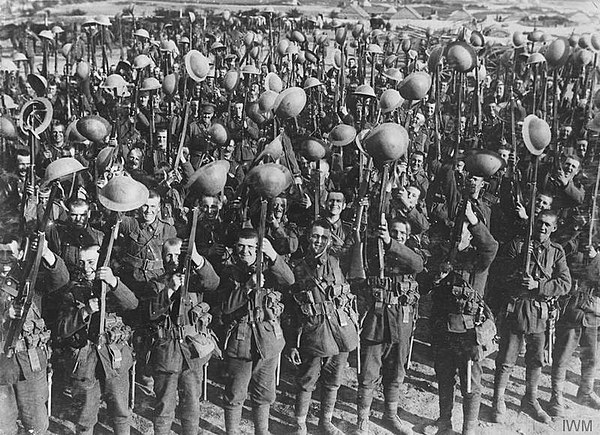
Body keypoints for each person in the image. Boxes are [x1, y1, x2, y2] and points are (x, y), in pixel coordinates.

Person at [491, 210, 571, 424]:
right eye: (539, 223)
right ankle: (498, 400)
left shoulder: (556, 252)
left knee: (536, 360)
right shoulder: (518, 246)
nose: (542, 227)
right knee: (506, 359)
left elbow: (565, 283)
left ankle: (531, 399)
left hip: (539, 312)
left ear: (554, 228)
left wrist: (540, 286)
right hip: (516, 308)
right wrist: (517, 275)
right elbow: (499, 275)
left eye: (547, 225)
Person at [426, 200, 498, 435]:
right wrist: (436, 278)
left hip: (468, 332)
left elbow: (490, 246)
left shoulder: (478, 260)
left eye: (465, 233)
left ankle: (469, 429)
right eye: (457, 234)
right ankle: (444, 422)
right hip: (444, 330)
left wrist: (473, 220)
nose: (459, 238)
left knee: (471, 382)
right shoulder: (443, 259)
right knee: (445, 377)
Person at [54, 244, 138, 435]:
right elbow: (61, 328)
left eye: (91, 262)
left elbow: (132, 304)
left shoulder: (114, 286)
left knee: (121, 412)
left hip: (114, 360)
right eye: (82, 263)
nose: (86, 268)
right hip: (86, 363)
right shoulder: (72, 291)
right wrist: (84, 312)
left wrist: (113, 282)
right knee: (85, 417)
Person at [287, 220, 359, 435]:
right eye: (314, 236)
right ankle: (300, 424)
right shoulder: (297, 268)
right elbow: (290, 311)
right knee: (307, 381)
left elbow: (356, 248)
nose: (318, 241)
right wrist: (292, 344)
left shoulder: (339, 262)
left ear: (329, 241)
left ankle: (325, 422)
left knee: (334, 380)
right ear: (308, 237)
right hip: (313, 333)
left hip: (340, 332)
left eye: (323, 237)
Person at [220, 229, 294, 435]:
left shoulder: (269, 270)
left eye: (251, 247)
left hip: (267, 340)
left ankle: (262, 431)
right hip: (240, 341)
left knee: (264, 393)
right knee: (235, 394)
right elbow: (225, 306)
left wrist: (273, 256)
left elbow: (290, 280)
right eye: (241, 246)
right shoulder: (228, 271)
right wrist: (247, 287)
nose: (245, 251)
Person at [356, 217, 424, 435]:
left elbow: (418, 265)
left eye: (401, 234)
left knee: (396, 373)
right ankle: (362, 420)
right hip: (375, 323)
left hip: (401, 324)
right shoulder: (374, 254)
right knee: (368, 373)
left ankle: (390, 415)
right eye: (393, 232)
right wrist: (380, 242)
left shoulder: (410, 257)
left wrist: (390, 243)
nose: (396, 236)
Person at [146, 238, 220, 434]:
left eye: (178, 255)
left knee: (191, 402)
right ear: (162, 258)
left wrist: (197, 258)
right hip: (166, 353)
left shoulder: (196, 281)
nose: (173, 259)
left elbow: (213, 282)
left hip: (191, 352)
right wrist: (169, 290)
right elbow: (151, 313)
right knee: (164, 405)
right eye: (169, 255)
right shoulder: (156, 283)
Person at [0, 237, 69, 435]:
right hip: (2, 368)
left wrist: (46, 253)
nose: (5, 259)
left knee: (36, 424)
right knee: (3, 426)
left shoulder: (30, 280)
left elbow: (61, 279)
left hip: (30, 364)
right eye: (1, 253)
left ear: (21, 255)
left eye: (10, 253)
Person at [549, 244, 600, 416]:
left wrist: (596, 258)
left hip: (592, 312)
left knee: (591, 357)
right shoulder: (571, 241)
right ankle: (556, 396)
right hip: (572, 310)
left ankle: (585, 392)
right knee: (562, 356)